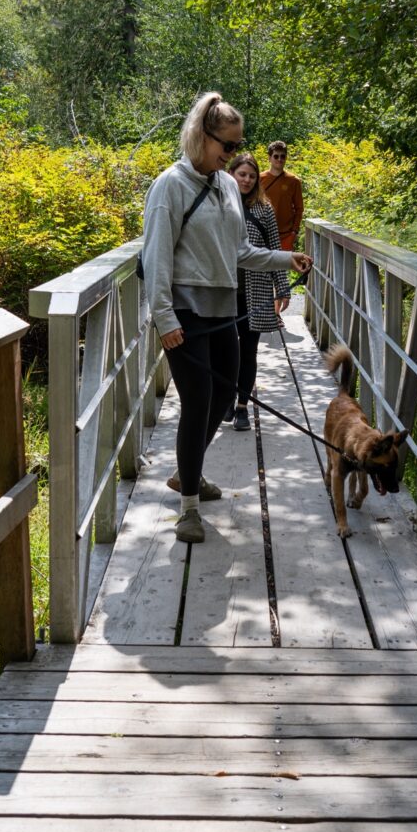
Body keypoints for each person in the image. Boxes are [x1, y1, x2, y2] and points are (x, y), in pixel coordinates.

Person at [142, 92, 311, 544]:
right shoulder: (170, 186)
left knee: (228, 393)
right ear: (203, 136)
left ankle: (187, 472)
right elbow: (155, 256)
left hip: (224, 307)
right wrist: (163, 318)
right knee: (197, 401)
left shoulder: (224, 187)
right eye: (228, 146)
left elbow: (239, 252)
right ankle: (189, 508)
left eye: (238, 146)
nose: (234, 154)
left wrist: (284, 259)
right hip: (184, 312)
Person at [224, 153, 290, 432]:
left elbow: (275, 248)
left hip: (256, 290)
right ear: (231, 174)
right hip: (223, 291)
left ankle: (241, 407)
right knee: (226, 351)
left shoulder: (264, 208)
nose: (247, 180)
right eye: (242, 174)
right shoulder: (220, 204)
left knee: (248, 350)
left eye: (251, 176)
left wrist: (283, 287)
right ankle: (226, 396)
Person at [261, 140, 304, 250]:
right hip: (263, 233)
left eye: (282, 156)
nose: (279, 159)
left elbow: (299, 208)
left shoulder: (294, 181)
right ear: (269, 158)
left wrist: (294, 231)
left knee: (282, 267)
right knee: (263, 266)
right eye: (276, 156)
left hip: (285, 235)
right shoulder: (259, 179)